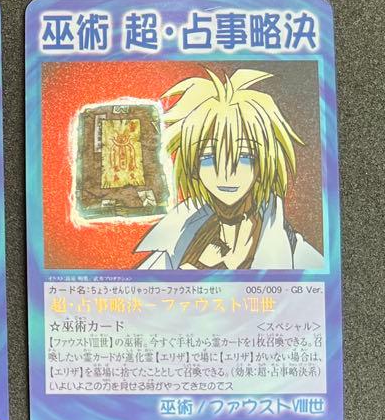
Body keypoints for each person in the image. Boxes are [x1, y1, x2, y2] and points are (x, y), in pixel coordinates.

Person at [135, 68, 323, 270]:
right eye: (208, 158)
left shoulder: (297, 258)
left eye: (244, 157)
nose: (226, 173)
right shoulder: (179, 239)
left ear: (263, 163)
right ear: (193, 167)